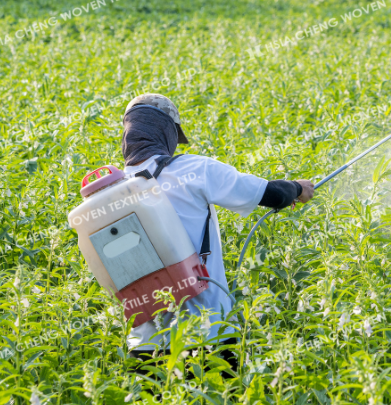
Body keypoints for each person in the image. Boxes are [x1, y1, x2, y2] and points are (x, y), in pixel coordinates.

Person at [120, 93, 314, 375]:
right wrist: (297, 188)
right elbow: (269, 193)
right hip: (208, 334)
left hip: (145, 345)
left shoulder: (109, 190)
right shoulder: (193, 169)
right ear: (166, 132)